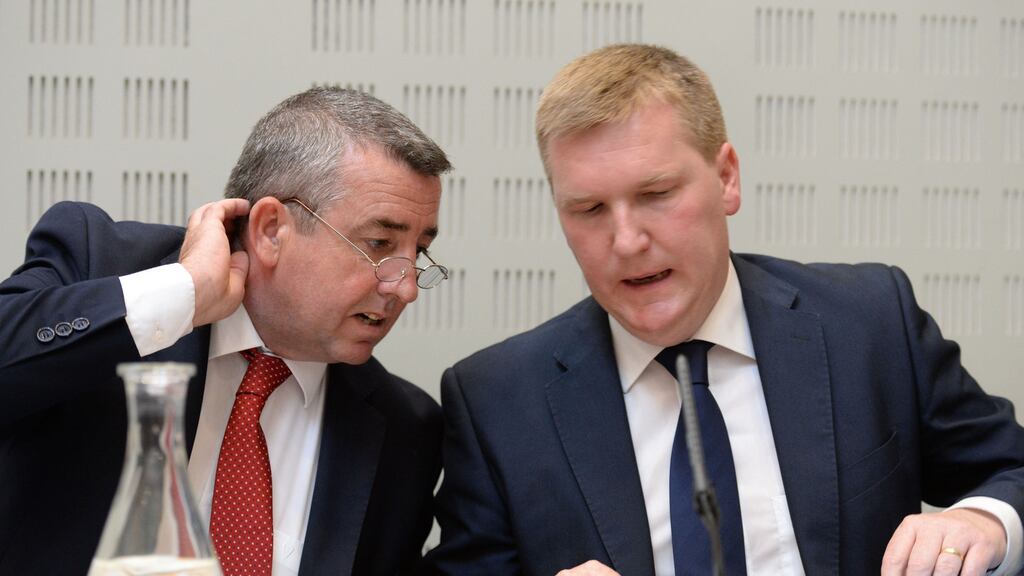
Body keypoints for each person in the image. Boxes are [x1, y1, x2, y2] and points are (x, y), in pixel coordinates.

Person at [421, 44, 1024, 576]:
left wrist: (985, 523)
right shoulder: (497, 400)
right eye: (589, 209)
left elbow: (1011, 472)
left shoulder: (868, 323)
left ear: (726, 178)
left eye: (655, 195)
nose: (626, 240)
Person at [0, 87, 451, 575]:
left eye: (418, 252)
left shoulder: (406, 432)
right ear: (271, 229)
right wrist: (184, 291)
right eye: (380, 243)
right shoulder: (100, 264)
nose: (405, 288)